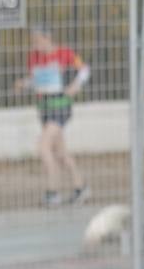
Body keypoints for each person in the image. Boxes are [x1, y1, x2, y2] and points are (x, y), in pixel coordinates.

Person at [15, 27, 90, 207]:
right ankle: (81, 188)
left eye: (38, 40)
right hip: (45, 108)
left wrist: (75, 86)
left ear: (48, 38)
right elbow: (37, 81)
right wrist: (23, 84)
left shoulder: (64, 53)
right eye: (33, 41)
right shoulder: (34, 57)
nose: (36, 45)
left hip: (61, 106)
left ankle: (53, 192)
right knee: (61, 153)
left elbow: (85, 70)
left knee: (43, 147)